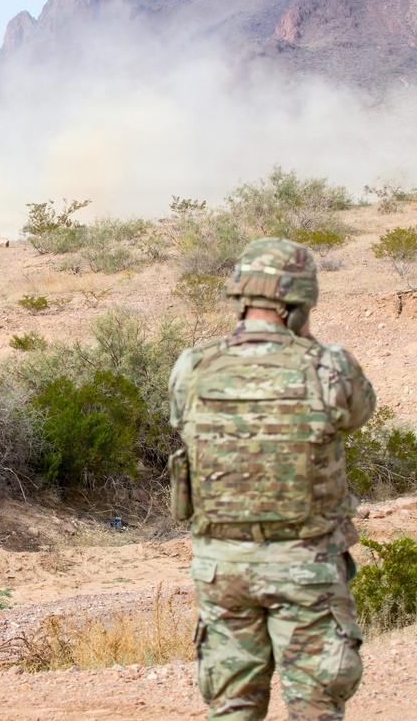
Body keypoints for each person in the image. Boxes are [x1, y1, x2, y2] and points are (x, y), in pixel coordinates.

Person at [168, 238, 376, 721]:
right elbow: (359, 412)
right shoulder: (328, 366)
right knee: (316, 708)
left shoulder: (193, 366)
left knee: (232, 708)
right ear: (301, 302)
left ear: (240, 297)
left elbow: (184, 421)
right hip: (306, 566)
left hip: (224, 569)